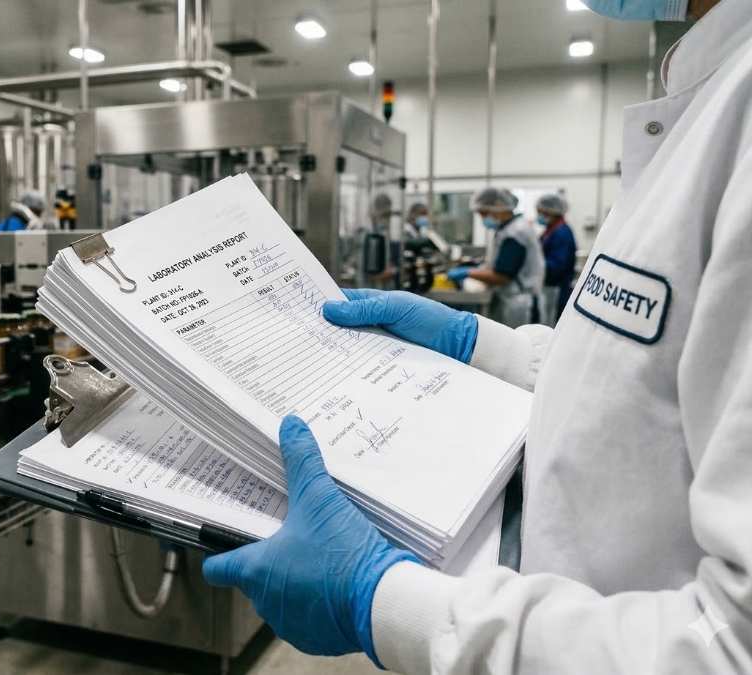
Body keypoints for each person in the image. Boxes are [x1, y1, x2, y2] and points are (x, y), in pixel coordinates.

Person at [204, 0, 751, 671]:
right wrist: (489, 347)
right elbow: (646, 370)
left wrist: (384, 601)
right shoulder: (710, 97)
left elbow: (729, 646)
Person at [447, 188, 545, 327]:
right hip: (513, 298)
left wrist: (468, 272)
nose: (483, 219)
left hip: (520, 303)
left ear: (498, 207)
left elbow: (502, 276)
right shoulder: (507, 229)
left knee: (519, 344)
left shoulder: (515, 233)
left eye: (484, 213)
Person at [535, 193, 578, 324]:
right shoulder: (551, 230)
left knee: (551, 324)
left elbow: (558, 265)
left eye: (541, 212)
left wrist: (534, 266)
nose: (539, 216)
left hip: (557, 289)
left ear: (551, 212)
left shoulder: (562, 233)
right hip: (549, 287)